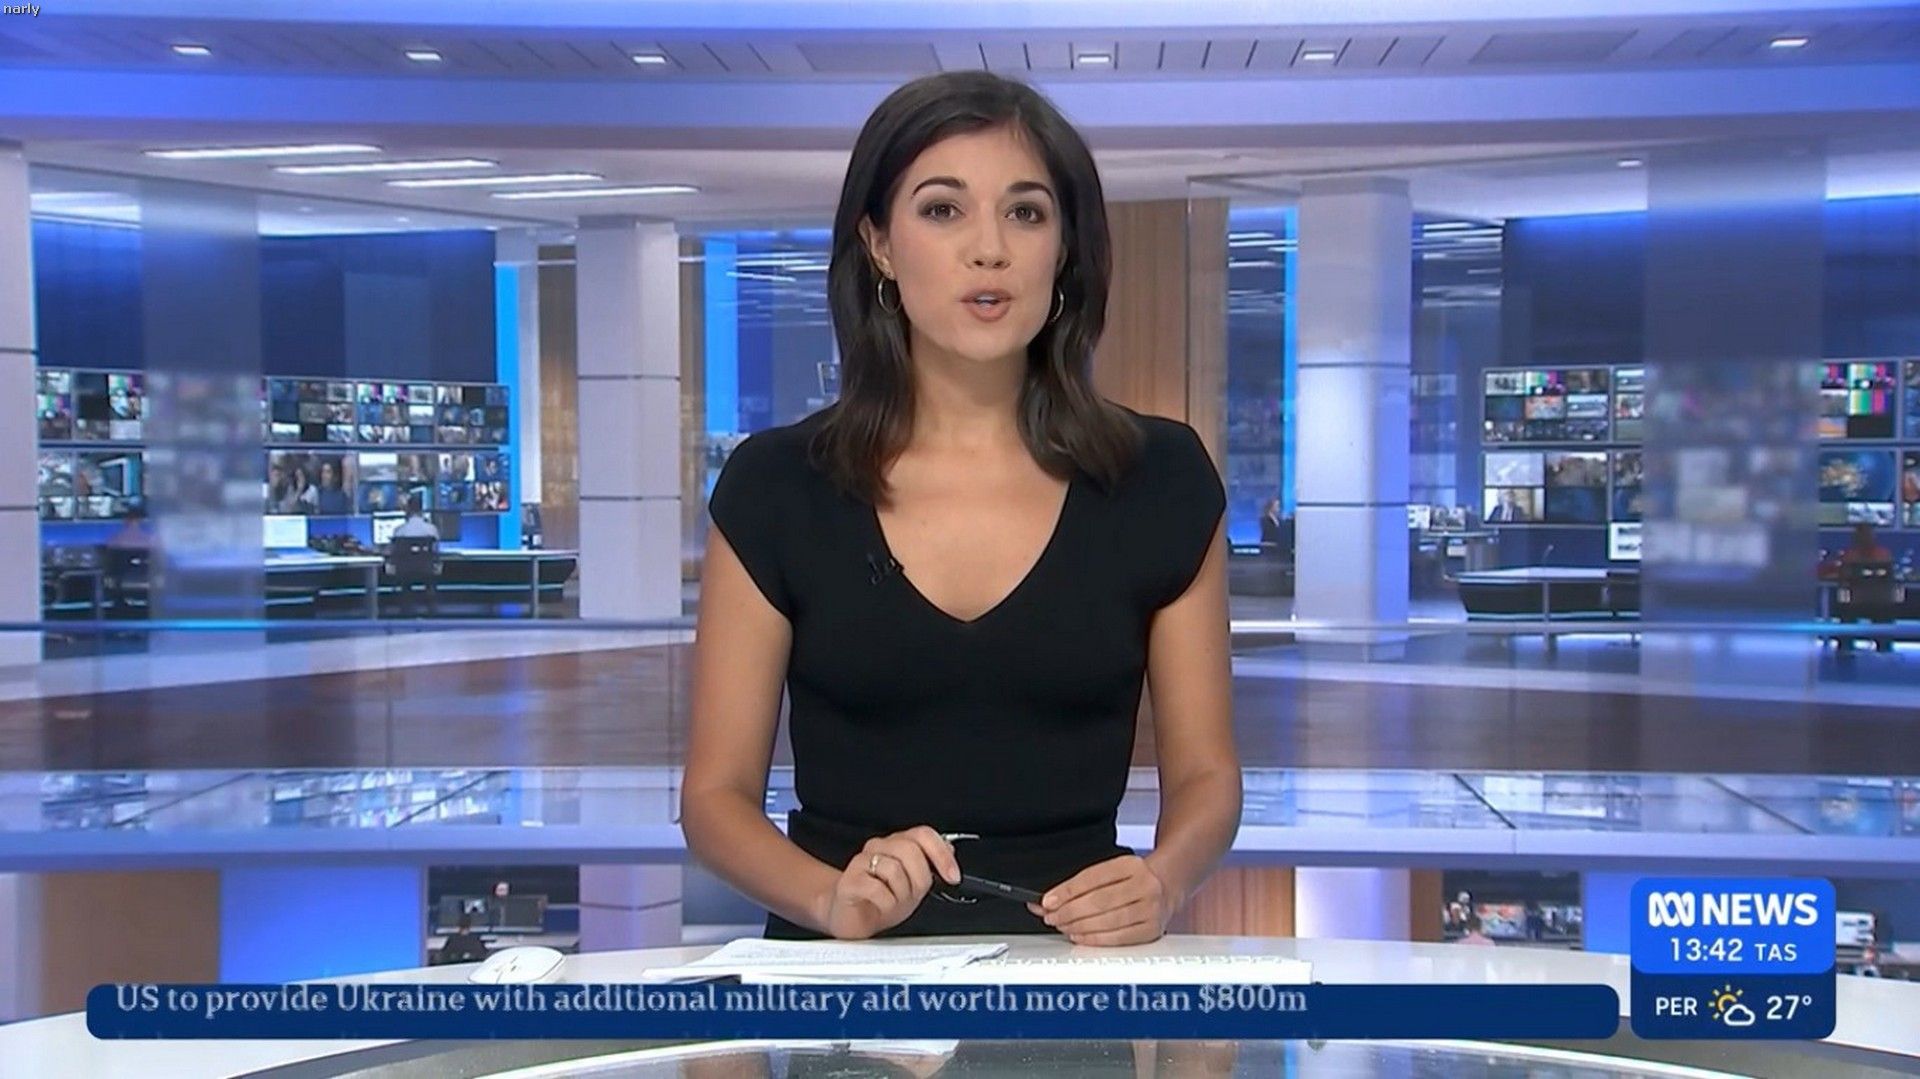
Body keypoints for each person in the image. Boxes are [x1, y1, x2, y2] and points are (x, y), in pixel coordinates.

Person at [684, 71, 1239, 945]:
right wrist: (829, 899)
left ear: (1066, 247)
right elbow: (714, 799)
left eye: (1026, 212)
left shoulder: (1159, 479)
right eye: (943, 209)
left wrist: (1162, 881)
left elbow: (1207, 775)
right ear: (878, 242)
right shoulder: (778, 485)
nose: (990, 249)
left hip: (1073, 969)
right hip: (845, 976)